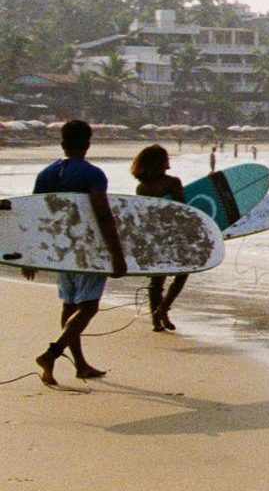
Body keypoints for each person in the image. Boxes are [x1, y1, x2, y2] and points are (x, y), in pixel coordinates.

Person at [30, 120, 127, 385]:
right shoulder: (93, 174)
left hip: (61, 250)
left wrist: (31, 256)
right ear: (87, 144)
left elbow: (35, 216)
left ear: (62, 143)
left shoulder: (46, 174)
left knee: (69, 304)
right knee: (88, 306)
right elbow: (103, 216)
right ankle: (52, 353)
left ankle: (80, 365)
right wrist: (117, 255)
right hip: (89, 250)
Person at [131, 145, 189, 332]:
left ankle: (156, 320)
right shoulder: (172, 182)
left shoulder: (141, 187)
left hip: (153, 235)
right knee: (183, 272)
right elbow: (182, 209)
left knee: (156, 280)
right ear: (160, 162)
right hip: (172, 234)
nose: (168, 160)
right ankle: (162, 309)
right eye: (165, 158)